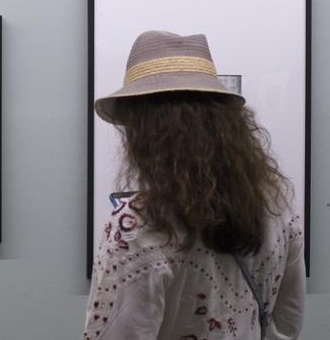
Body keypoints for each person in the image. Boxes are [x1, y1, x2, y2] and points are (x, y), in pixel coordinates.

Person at [83, 31, 305, 339]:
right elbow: (288, 323)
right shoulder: (277, 208)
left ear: (145, 131)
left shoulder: (135, 223)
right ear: (228, 124)